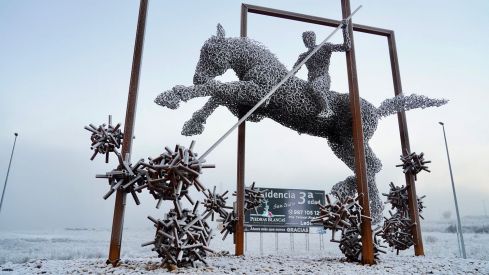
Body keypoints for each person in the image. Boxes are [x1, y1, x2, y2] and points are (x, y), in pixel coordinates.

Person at [294, 20, 351, 117]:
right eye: (305, 39)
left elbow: (346, 47)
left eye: (309, 38)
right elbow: (294, 70)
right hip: (310, 81)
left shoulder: (324, 47)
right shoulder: (303, 56)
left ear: (314, 39)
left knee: (316, 87)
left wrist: (345, 29)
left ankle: (327, 109)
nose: (307, 40)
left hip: (323, 78)